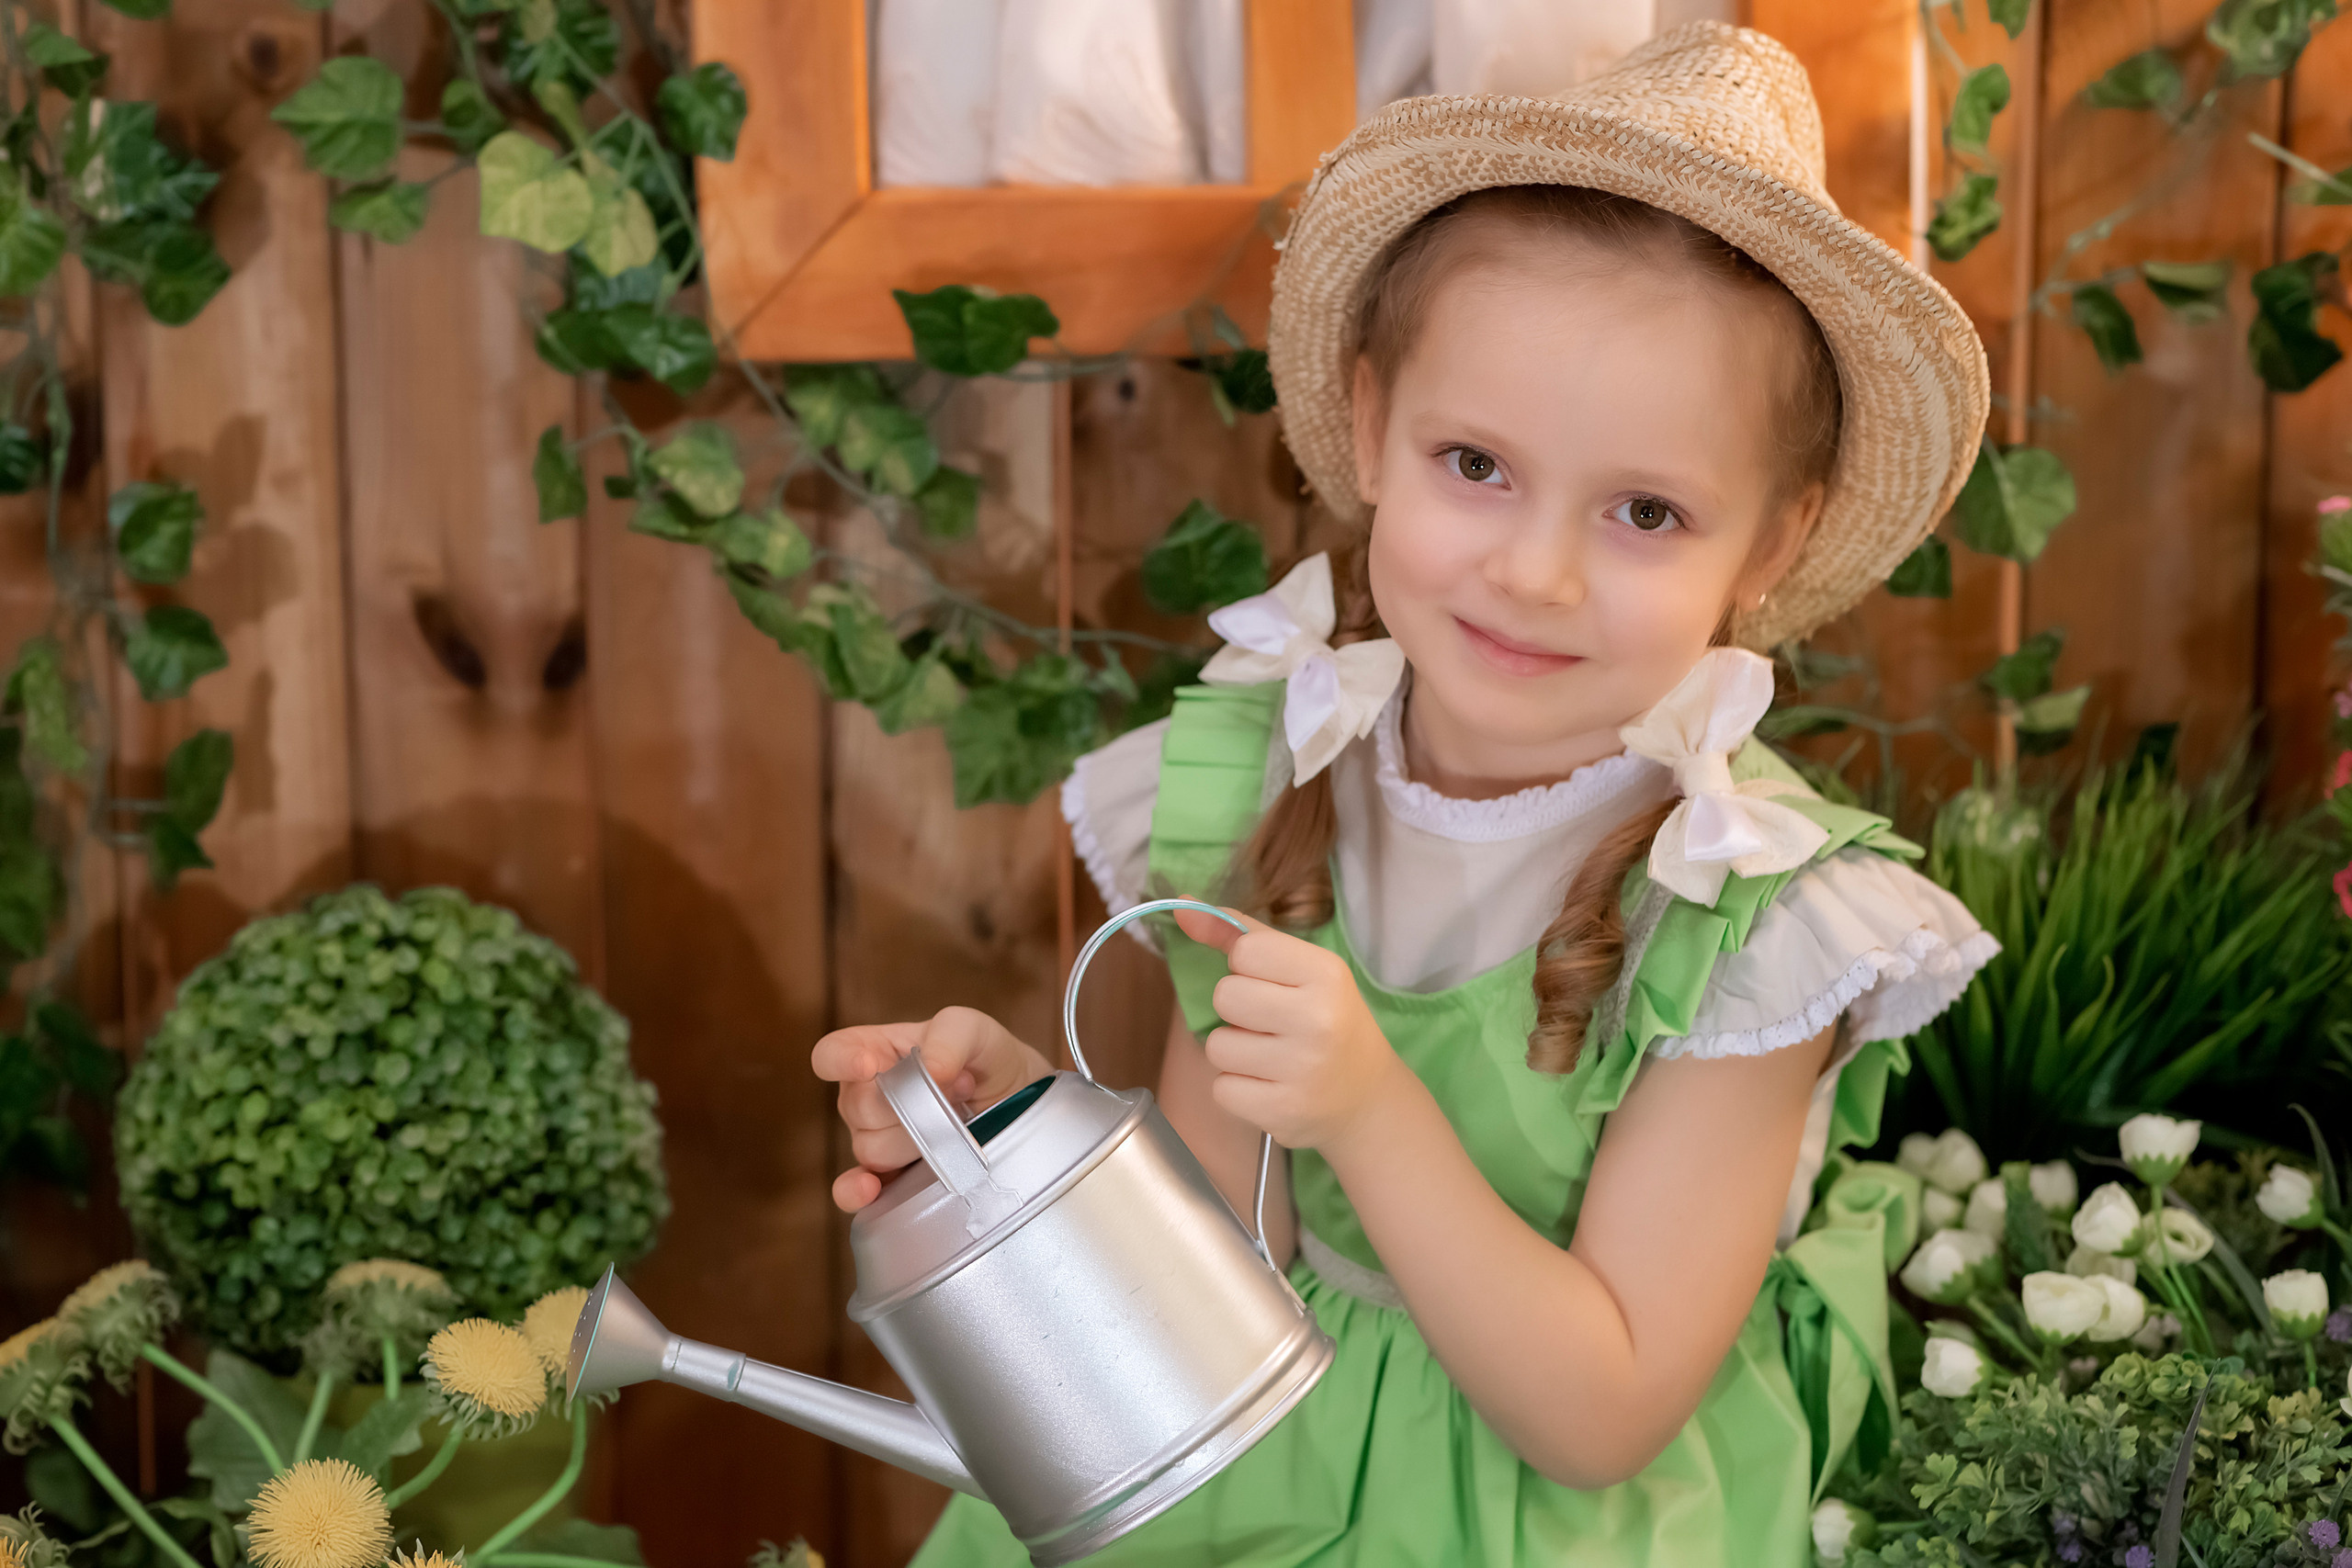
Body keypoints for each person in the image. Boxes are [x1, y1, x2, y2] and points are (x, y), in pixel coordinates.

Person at [813, 21, 1996, 1566]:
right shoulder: (1268, 770)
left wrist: (1371, 1108)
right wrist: (1027, 1136)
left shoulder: (1752, 912)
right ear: (1373, 428)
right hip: (1264, 1444)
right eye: (1477, 466)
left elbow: (1602, 1411)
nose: (1536, 570)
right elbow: (1233, 1248)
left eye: (1647, 510)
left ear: (1771, 545)